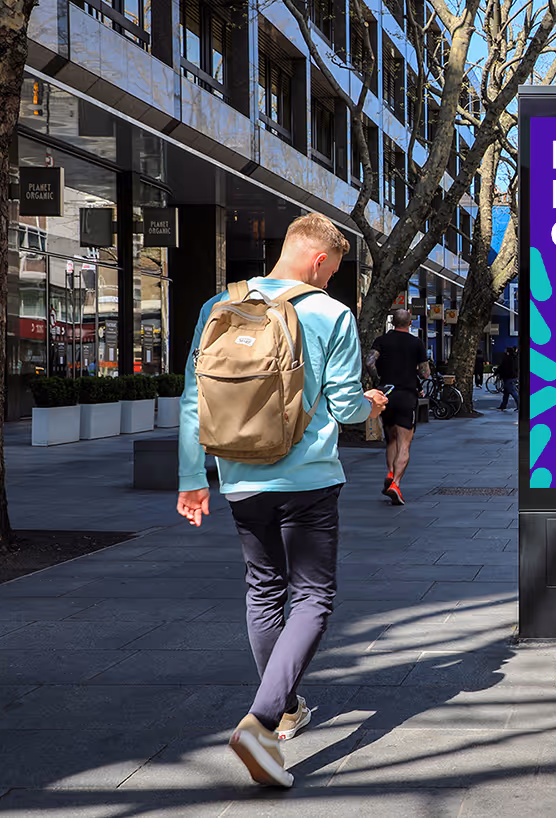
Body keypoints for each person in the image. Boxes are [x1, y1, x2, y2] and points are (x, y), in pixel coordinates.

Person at [176, 213, 388, 788]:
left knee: (264, 587)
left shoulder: (218, 305)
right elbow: (345, 409)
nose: (333, 279)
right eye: (336, 268)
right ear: (320, 259)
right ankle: (262, 719)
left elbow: (195, 397)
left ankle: (286, 708)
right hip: (308, 478)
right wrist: (371, 403)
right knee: (314, 595)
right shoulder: (330, 313)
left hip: (239, 477)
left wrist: (193, 477)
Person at [371, 309, 430, 505]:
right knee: (404, 443)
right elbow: (425, 373)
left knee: (391, 440)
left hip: (386, 394)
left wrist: (377, 380)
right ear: (410, 323)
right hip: (406, 395)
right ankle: (395, 483)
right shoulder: (416, 343)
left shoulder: (382, 340)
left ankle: (390, 472)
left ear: (393, 321)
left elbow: (369, 361)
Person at [497, 346, 519, 410]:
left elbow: (502, 367)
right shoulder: (515, 357)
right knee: (506, 393)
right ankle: (503, 405)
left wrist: (497, 372)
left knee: (513, 392)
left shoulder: (507, 358)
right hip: (514, 376)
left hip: (508, 377)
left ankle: (519, 405)